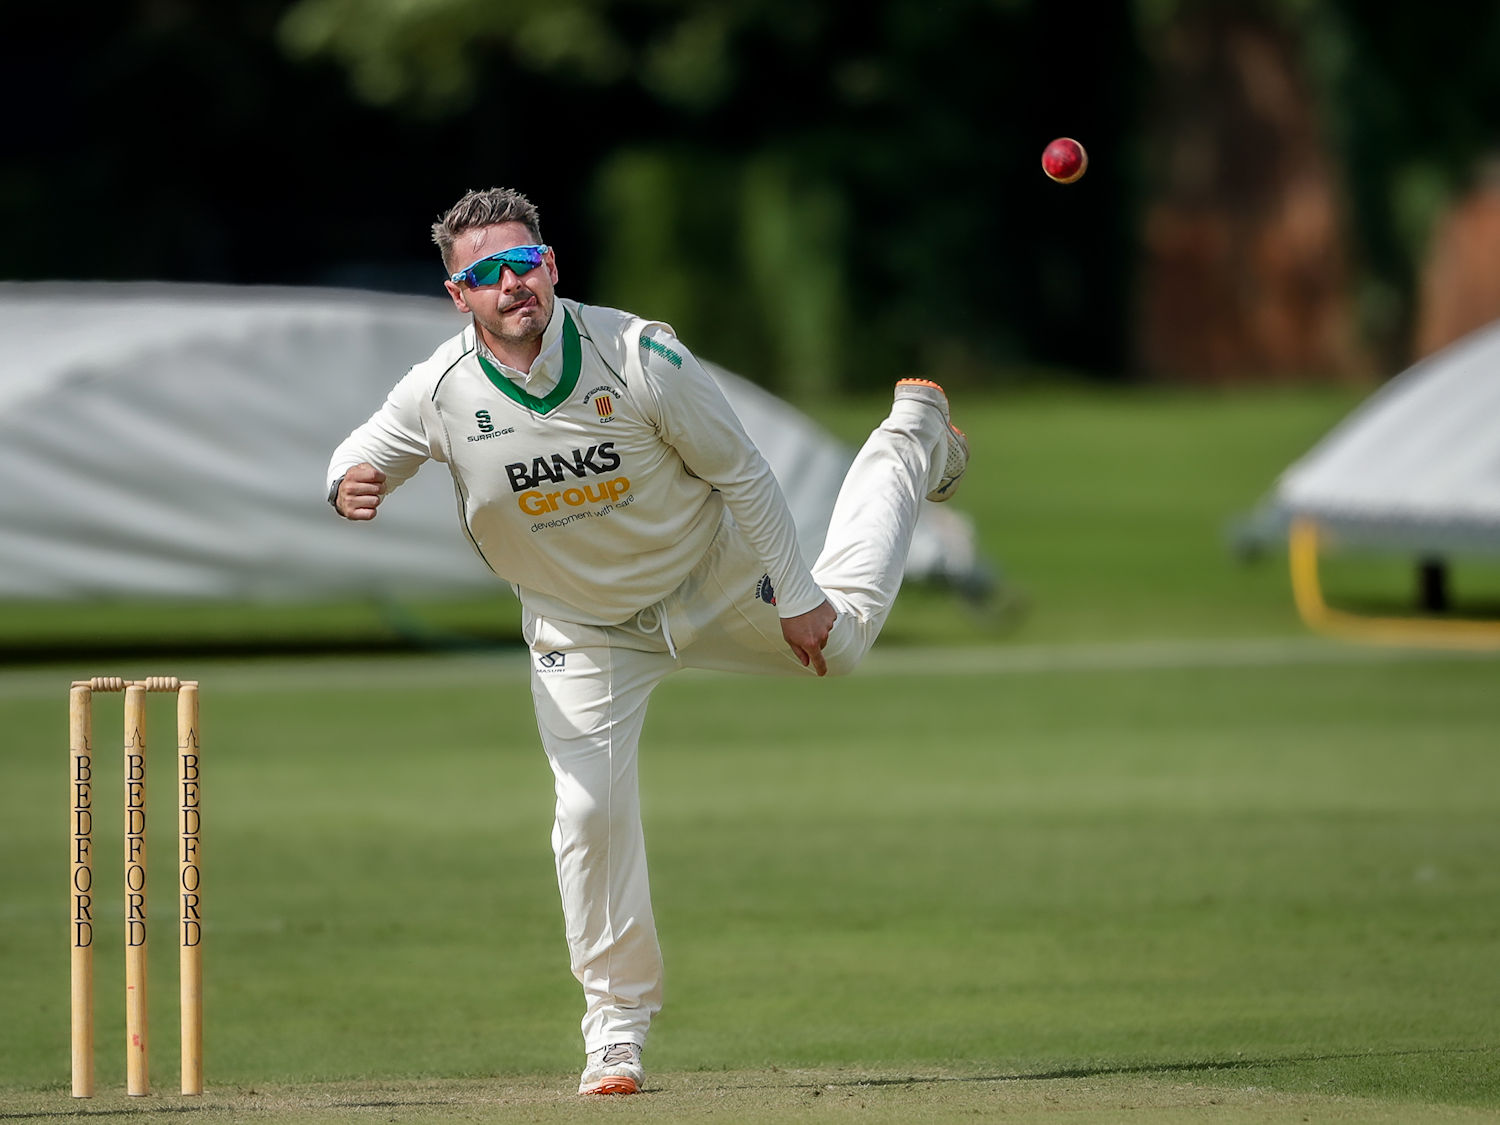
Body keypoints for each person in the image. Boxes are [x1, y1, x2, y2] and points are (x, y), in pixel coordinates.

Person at [326, 187, 969, 1096]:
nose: (513, 284)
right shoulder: (440, 390)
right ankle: (615, 1033)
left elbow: (743, 468)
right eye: (488, 274)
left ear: (550, 268)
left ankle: (910, 440)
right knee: (587, 816)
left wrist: (793, 595)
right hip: (579, 628)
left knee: (845, 643)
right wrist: (349, 483)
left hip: (705, 579)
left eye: (525, 264)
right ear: (457, 295)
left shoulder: (638, 354)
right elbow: (362, 449)